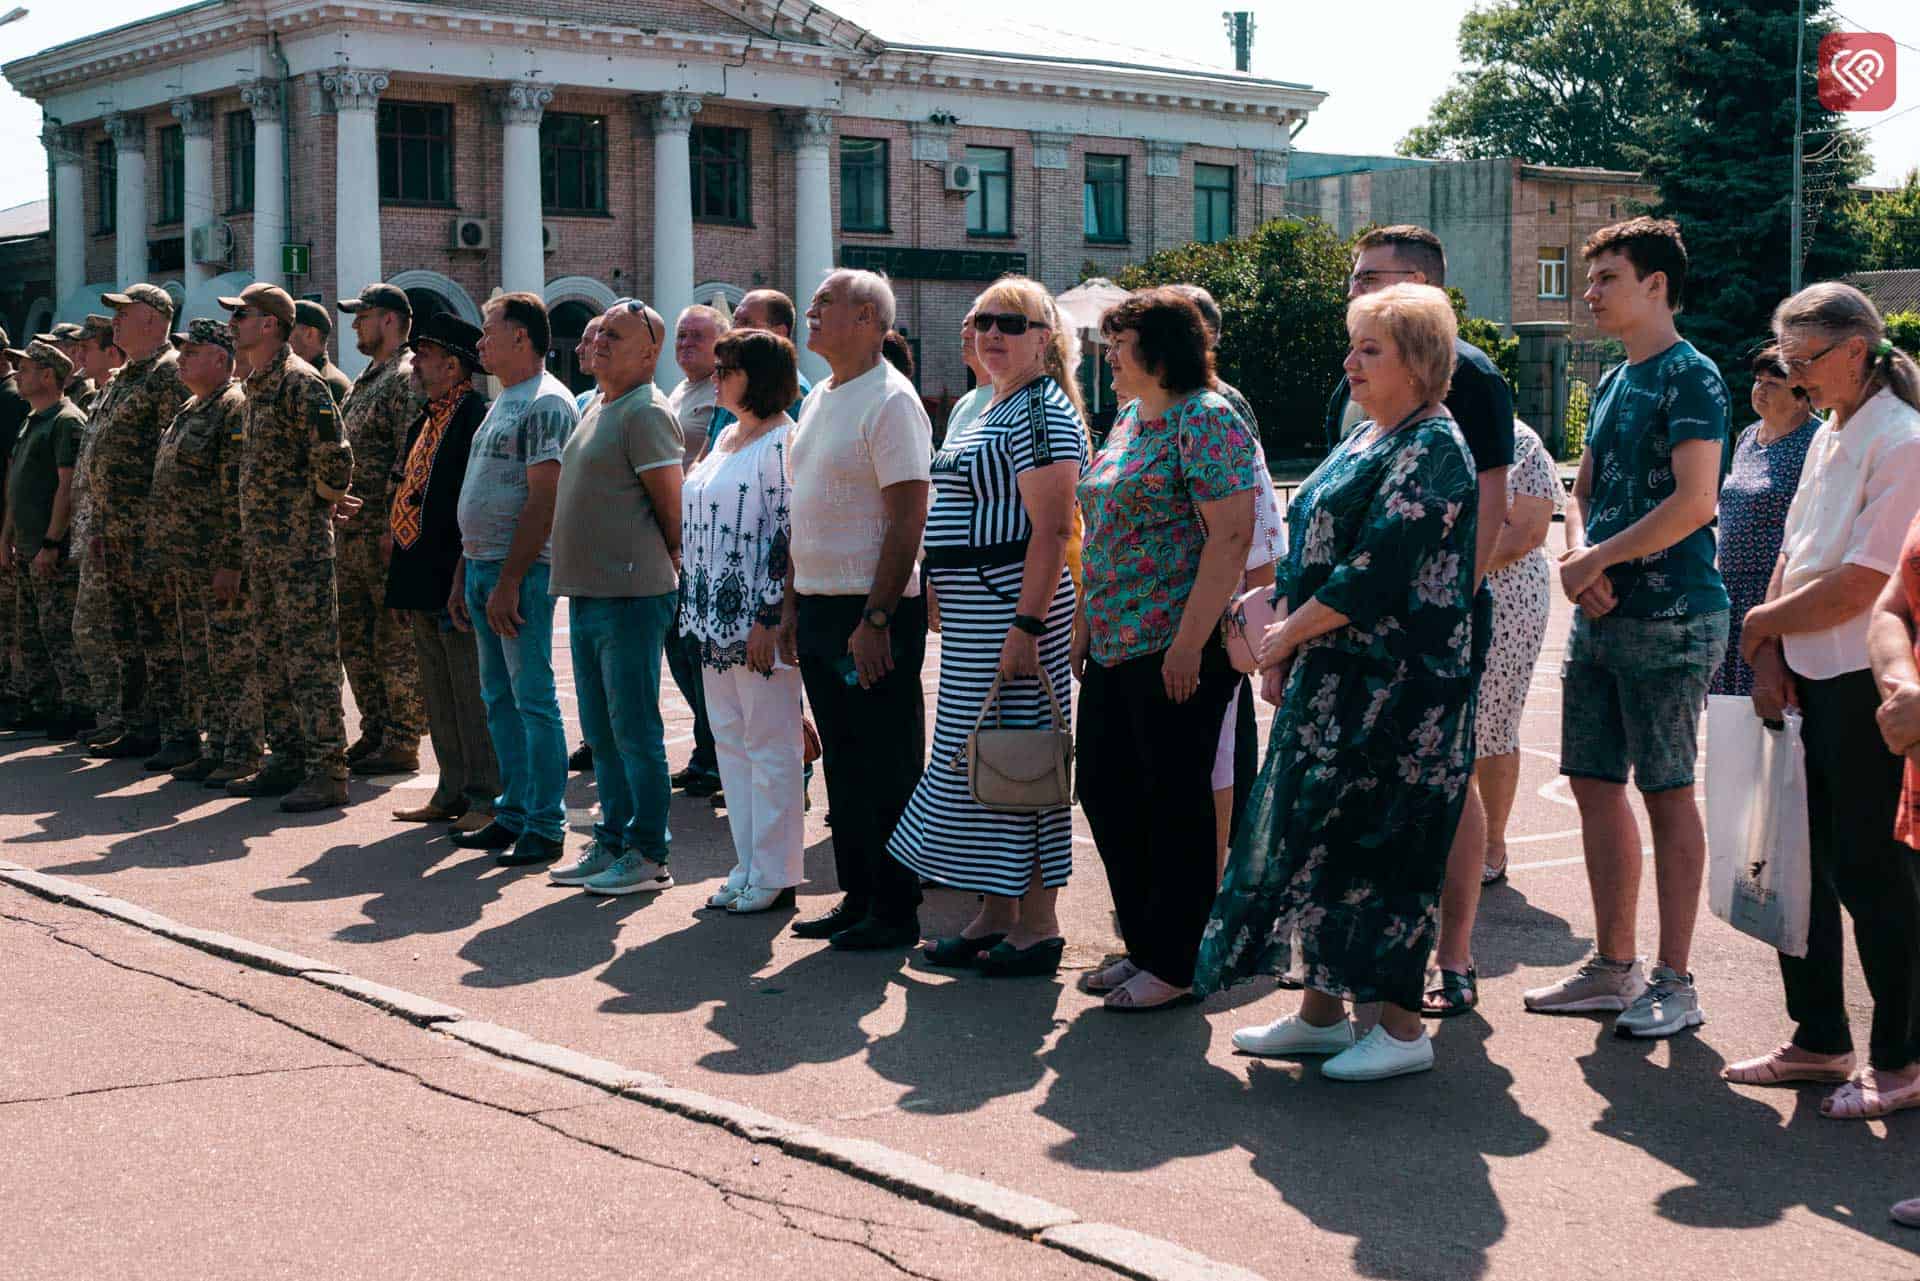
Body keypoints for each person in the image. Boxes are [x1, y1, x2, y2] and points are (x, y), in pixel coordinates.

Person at [1198, 282, 1478, 1081]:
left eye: (1370, 349)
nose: (1350, 361)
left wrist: (1285, 633)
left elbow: (1377, 569)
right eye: (1352, 345)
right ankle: (1321, 1015)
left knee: (1386, 849)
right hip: (1337, 681)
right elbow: (1308, 548)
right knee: (1322, 841)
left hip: (1402, 694)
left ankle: (1399, 1027)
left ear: (1420, 362)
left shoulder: (1434, 447)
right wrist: (1284, 644)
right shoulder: (1367, 436)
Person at [1526, 217, 1730, 1036]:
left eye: (1608, 276)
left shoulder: (1694, 377)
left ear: (1656, 284)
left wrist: (1595, 561)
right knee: (1593, 782)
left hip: (1674, 617)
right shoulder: (1614, 380)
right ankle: (1615, 969)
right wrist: (1583, 557)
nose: (1591, 292)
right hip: (1605, 613)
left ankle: (1676, 980)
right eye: (1591, 276)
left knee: (1668, 791)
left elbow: (1696, 501)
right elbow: (1582, 487)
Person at [1724, 282, 1920, 1115]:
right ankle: (1820, 1039)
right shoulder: (1834, 429)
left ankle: (1903, 1060)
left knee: (1872, 874)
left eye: (1805, 362)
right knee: (1803, 871)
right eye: (1788, 363)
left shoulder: (1903, 440)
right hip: (1807, 678)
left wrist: (1767, 620)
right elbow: (1797, 551)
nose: (1796, 380)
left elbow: (1868, 583)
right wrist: (1768, 647)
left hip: (1859, 686)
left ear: (1854, 351)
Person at [1319, 227, 1515, 1019]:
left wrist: (1439, 620)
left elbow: (1489, 512)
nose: (1358, 289)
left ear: (1426, 285)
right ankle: (1349, 967)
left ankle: (1454, 957)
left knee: (1442, 784)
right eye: (1355, 277)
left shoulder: (1466, 376)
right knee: (1365, 795)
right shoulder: (1358, 375)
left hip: (1428, 629)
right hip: (1355, 629)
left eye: (1377, 277)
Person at [888, 277, 1089, 975]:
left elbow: (1054, 529)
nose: (993, 333)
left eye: (1012, 322)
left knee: (1022, 759)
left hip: (1014, 610)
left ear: (1045, 337)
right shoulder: (992, 407)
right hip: (980, 615)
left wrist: (1027, 626)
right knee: (984, 758)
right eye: (983, 321)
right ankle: (995, 910)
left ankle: (1038, 923)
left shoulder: (1041, 414)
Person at [1073, 287, 1259, 1010]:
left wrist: (1188, 643)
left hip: (1178, 648)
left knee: (1174, 801)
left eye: (1117, 345)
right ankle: (1146, 942)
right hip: (1117, 642)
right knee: (1108, 790)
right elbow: (1103, 528)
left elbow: (1232, 536)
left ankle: (1177, 961)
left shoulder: (1206, 418)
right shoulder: (1127, 418)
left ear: (1157, 350)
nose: (1108, 357)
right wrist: (1088, 620)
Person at [780, 268, 933, 951]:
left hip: (870, 615)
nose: (809, 312)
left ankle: (896, 909)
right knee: (844, 762)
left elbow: (907, 519)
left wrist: (874, 621)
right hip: (817, 606)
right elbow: (801, 509)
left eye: (825, 304)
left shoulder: (892, 400)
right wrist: (789, 604)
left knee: (885, 763)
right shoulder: (822, 399)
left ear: (869, 319)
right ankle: (857, 894)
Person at [545, 300, 683, 896]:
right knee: (600, 733)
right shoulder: (598, 405)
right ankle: (613, 839)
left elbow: (671, 511)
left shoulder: (647, 411)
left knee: (635, 732)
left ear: (650, 353)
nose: (598, 342)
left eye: (616, 336)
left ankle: (649, 852)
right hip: (589, 592)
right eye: (598, 333)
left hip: (631, 594)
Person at [449, 292, 578, 866]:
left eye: (488, 331)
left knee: (532, 699)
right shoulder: (503, 400)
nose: (480, 344)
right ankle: (513, 812)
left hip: (517, 575)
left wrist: (508, 581)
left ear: (521, 337)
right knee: (498, 697)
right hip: (482, 568)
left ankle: (545, 824)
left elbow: (543, 501)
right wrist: (464, 573)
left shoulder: (547, 402)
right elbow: (479, 494)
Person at [220, 282, 356, 812]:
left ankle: (327, 769)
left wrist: (314, 508)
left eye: (242, 315)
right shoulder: (256, 385)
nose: (235, 324)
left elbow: (336, 461)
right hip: (263, 550)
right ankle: (287, 757)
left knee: (311, 661)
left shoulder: (300, 383)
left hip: (299, 551)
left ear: (271, 324)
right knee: (271, 658)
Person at [682, 329, 805, 913]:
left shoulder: (781, 441)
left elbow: (786, 534)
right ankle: (747, 863)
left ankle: (777, 872)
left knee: (771, 743)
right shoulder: (728, 436)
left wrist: (770, 615)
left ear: (759, 375)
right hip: (711, 615)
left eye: (727, 367)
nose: (717, 376)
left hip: (756, 619)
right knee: (731, 742)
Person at [1168, 282, 1286, 874]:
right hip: (1186, 606)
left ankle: (1225, 861)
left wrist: (1253, 603)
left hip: (1219, 604)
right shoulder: (1153, 404)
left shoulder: (1220, 405)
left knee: (1224, 740)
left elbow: (1254, 513)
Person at [382, 314, 500, 834]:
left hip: (453, 573)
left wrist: (462, 572)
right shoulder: (425, 418)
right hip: (419, 572)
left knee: (467, 689)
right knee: (437, 690)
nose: (415, 363)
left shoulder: (475, 414)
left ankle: (484, 793)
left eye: (424, 355)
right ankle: (450, 788)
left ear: (453, 365)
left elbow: (471, 501)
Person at [145, 320, 259, 784]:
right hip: (185, 561)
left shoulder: (232, 407)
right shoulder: (192, 407)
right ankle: (217, 745)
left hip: (215, 560)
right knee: (201, 658)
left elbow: (234, 490)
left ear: (220, 359)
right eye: (182, 352)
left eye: (192, 352)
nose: (183, 359)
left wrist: (231, 559)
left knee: (231, 656)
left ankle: (244, 748)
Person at [81, 284, 191, 765]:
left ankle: (179, 732)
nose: (115, 322)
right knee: (126, 635)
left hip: (149, 534)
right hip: (114, 532)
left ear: (152, 319)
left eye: (123, 313)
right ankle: (139, 725)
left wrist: (160, 532)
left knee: (163, 639)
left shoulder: (169, 376)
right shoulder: (125, 377)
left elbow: (175, 459)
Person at [1457, 420, 1561, 897]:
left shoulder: (1520, 441)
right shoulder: (1429, 430)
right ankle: (1453, 840)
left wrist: (1447, 568)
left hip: (1506, 600)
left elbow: (1526, 534)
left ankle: (1492, 844)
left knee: (1491, 724)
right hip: (1440, 599)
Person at [335, 283, 427, 776]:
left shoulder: (406, 377)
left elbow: (409, 455)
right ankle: (375, 726)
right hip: (351, 532)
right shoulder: (367, 378)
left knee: (392, 637)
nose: (355, 324)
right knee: (356, 635)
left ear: (389, 319)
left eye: (362, 315)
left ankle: (402, 736)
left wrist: (395, 525)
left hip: (381, 532)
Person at [1709, 346, 1820, 697]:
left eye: (1773, 383)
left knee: (1770, 703)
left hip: (1774, 592)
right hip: (1730, 590)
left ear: (1801, 397)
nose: (1760, 389)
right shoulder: (1747, 437)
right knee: (1731, 710)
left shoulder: (1817, 442)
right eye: (1758, 380)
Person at [0, 341, 85, 737]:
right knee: (32, 631)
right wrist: (8, 536)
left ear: (48, 376)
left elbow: (66, 487)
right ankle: (42, 702)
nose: (19, 374)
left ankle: (77, 705)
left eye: (27, 368)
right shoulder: (34, 419)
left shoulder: (65, 421)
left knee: (58, 630)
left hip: (51, 546)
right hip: (27, 543)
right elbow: (18, 485)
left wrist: (52, 541)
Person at [663, 304, 730, 798]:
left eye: (696, 337)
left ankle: (716, 755)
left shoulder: (721, 392)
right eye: (681, 335)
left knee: (702, 654)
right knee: (682, 652)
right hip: (676, 543)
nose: (685, 343)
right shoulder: (681, 389)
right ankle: (708, 751)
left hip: (703, 542)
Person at [290, 299, 355, 407]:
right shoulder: (297, 376)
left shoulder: (329, 384)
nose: (281, 335)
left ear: (309, 333)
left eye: (289, 328)